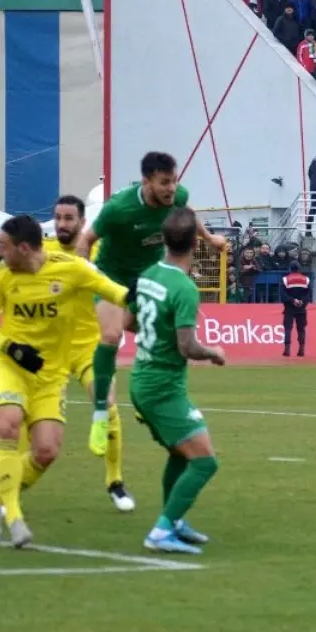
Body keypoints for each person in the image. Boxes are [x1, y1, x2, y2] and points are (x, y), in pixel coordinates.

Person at [0, 215, 130, 548]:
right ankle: (15, 520)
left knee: (45, 451)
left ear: (24, 247)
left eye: (4, 247)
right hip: (11, 365)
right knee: (8, 426)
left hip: (51, 375)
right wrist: (10, 347)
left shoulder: (70, 268)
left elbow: (115, 292)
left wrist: (154, 301)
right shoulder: (1, 276)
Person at [76, 152, 228, 459]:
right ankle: (100, 415)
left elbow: (187, 211)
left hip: (147, 276)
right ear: (146, 182)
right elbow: (86, 239)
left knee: (163, 336)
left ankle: (146, 403)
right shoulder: (119, 208)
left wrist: (209, 238)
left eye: (173, 181)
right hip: (112, 275)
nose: (171, 188)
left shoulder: (177, 195)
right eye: (164, 182)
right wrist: (86, 274)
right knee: (111, 334)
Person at [128, 207, 226, 554]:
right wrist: (212, 352)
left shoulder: (150, 273)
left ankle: (176, 519)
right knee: (205, 461)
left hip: (141, 377)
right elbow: (187, 347)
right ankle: (162, 531)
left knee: (179, 452)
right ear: (196, 244)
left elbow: (129, 321)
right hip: (161, 387)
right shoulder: (184, 288)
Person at [44, 195, 134, 512]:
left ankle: (115, 481)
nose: (62, 224)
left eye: (69, 218)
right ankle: (6, 488)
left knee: (109, 407)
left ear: (83, 223)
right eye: (58, 217)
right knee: (28, 424)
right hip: (49, 351)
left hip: (88, 348)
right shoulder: (42, 253)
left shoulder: (100, 255)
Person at [280, 260, 311, 357]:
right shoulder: (306, 279)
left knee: (288, 329)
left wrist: (293, 300)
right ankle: (301, 350)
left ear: (290, 268)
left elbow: (283, 295)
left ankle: (287, 350)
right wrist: (302, 301)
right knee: (301, 329)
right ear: (299, 268)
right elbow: (309, 294)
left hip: (289, 308)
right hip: (301, 308)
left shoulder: (285, 279)